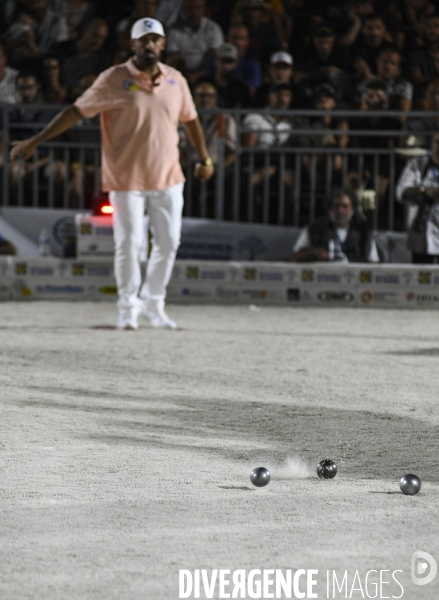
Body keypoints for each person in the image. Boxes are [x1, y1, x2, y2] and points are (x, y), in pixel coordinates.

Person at [10, 18, 214, 330]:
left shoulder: (176, 79)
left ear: (163, 44)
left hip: (169, 176)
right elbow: (76, 111)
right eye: (143, 40)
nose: (149, 45)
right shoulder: (113, 78)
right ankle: (127, 307)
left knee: (169, 242)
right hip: (126, 177)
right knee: (129, 243)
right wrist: (35, 141)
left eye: (155, 39)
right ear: (132, 44)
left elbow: (192, 120)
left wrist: (205, 158)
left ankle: (154, 304)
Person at [293, 188, 379, 263]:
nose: (340, 210)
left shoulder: (364, 231)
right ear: (329, 208)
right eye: (336, 206)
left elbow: (373, 261)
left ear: (352, 208)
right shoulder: (315, 228)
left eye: (345, 206)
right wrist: (314, 253)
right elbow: (296, 255)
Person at [396, 133, 439, 263]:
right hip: (421, 238)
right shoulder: (417, 164)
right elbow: (401, 192)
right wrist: (424, 191)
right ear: (431, 143)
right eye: (438, 142)